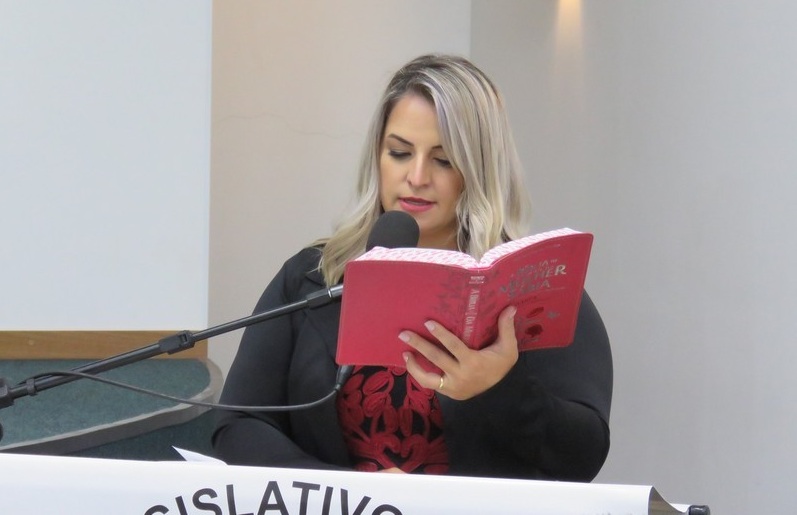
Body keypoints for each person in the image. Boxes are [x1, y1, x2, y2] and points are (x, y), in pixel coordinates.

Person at [212, 54, 612, 481]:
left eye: (443, 160)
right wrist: (349, 493)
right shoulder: (314, 277)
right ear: (377, 157)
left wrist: (499, 387)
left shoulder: (535, 287)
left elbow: (583, 456)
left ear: (478, 170)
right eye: (400, 153)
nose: (417, 176)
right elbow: (237, 425)